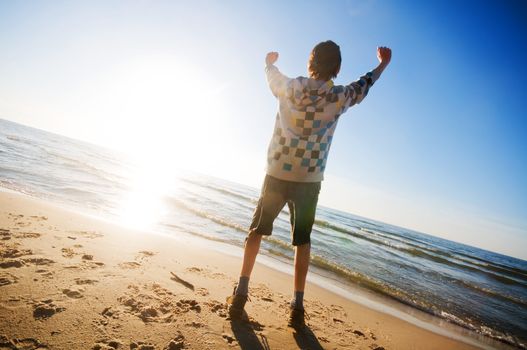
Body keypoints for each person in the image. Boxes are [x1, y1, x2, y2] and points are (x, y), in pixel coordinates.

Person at [227, 40, 392, 329]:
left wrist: (269, 61)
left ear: (310, 62)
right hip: (309, 179)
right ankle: (297, 307)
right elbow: (364, 84)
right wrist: (382, 65)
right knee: (302, 242)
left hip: (278, 172)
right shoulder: (338, 97)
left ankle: (240, 293)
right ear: (337, 68)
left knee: (257, 231)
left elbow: (271, 75)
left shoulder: (289, 87)